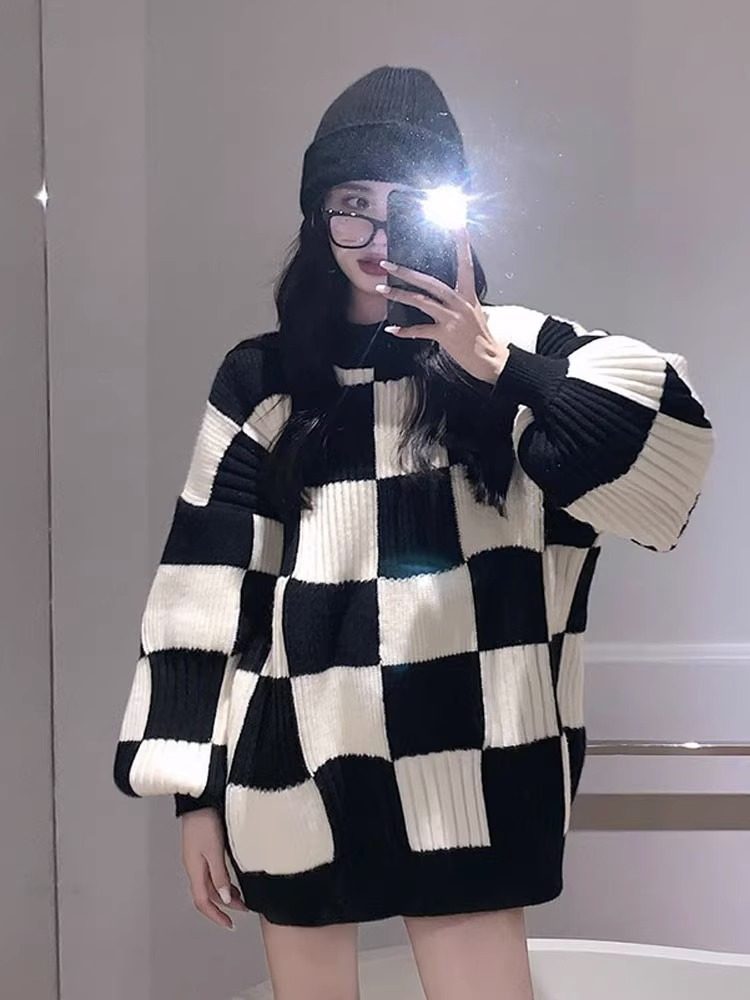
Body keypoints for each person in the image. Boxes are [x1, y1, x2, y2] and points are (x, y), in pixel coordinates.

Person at [113, 66, 715, 1000]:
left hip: (478, 756)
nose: (379, 236)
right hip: (293, 763)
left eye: (407, 205)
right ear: (319, 215)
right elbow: (207, 582)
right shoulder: (264, 380)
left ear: (455, 215)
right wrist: (194, 795)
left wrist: (500, 365)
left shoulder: (520, 349)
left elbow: (664, 462)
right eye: (353, 204)